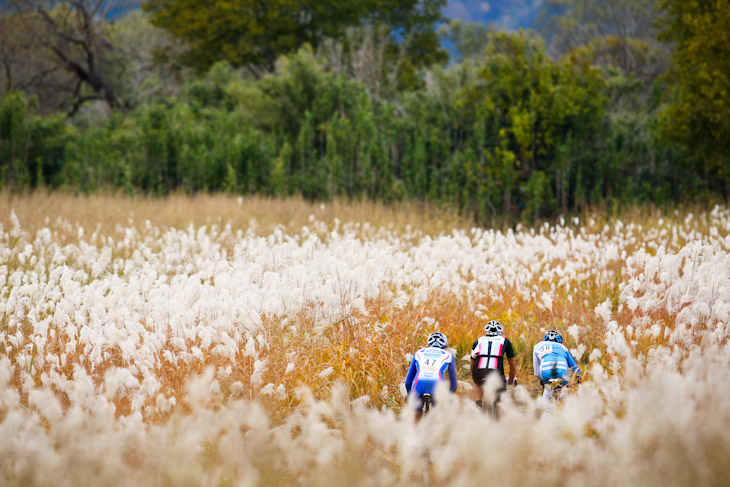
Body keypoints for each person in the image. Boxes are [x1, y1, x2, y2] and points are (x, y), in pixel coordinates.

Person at [405, 331, 458, 421]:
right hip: (437, 386)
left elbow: (408, 382)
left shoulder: (419, 353)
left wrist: (410, 395)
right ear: (445, 346)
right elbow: (453, 385)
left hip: (419, 385)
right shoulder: (448, 355)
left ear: (429, 344)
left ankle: (414, 433)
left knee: (416, 414)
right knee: (440, 414)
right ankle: (438, 431)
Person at [470, 320, 516, 416]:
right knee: (499, 402)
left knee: (476, 382)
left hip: (479, 371)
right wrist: (511, 380)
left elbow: (472, 362)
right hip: (496, 372)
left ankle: (478, 405)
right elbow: (512, 365)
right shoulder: (505, 341)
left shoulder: (478, 341)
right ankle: (497, 420)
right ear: (500, 333)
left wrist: (473, 375)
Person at [532, 329, 582, 402]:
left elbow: (536, 372)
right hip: (562, 371)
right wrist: (579, 381)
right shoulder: (563, 347)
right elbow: (575, 368)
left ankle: (546, 411)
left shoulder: (538, 346)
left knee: (548, 389)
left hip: (546, 371)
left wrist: (542, 380)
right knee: (564, 392)